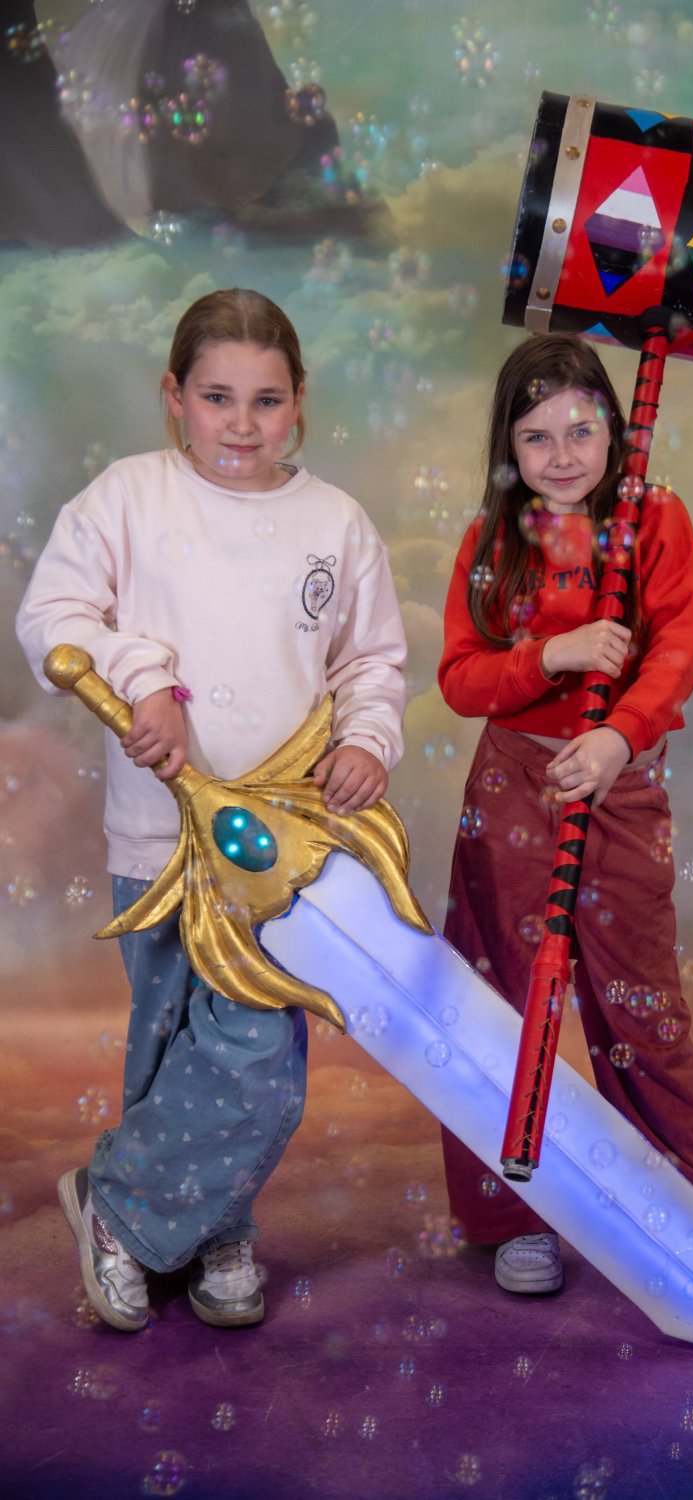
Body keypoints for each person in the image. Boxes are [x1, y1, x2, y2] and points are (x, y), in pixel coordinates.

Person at [436, 333, 693, 1320]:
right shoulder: (492, 541)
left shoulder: (653, 518)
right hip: (511, 786)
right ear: (507, 449)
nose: (562, 455)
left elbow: (676, 651)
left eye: (581, 430)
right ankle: (513, 1215)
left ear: (617, 429)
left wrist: (618, 737)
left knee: (642, 1017)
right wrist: (551, 655)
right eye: (536, 437)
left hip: (617, 784)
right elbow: (460, 678)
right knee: (497, 1007)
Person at [16, 288, 407, 1331]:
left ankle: (119, 1205)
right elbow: (53, 617)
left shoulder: (335, 524)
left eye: (266, 401)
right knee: (167, 1050)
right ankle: (207, 1226)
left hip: (277, 851)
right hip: (158, 836)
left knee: (253, 1061)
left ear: (299, 402)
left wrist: (367, 740)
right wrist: (142, 677)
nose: (242, 423)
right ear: (173, 397)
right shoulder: (127, 497)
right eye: (217, 397)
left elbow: (370, 662)